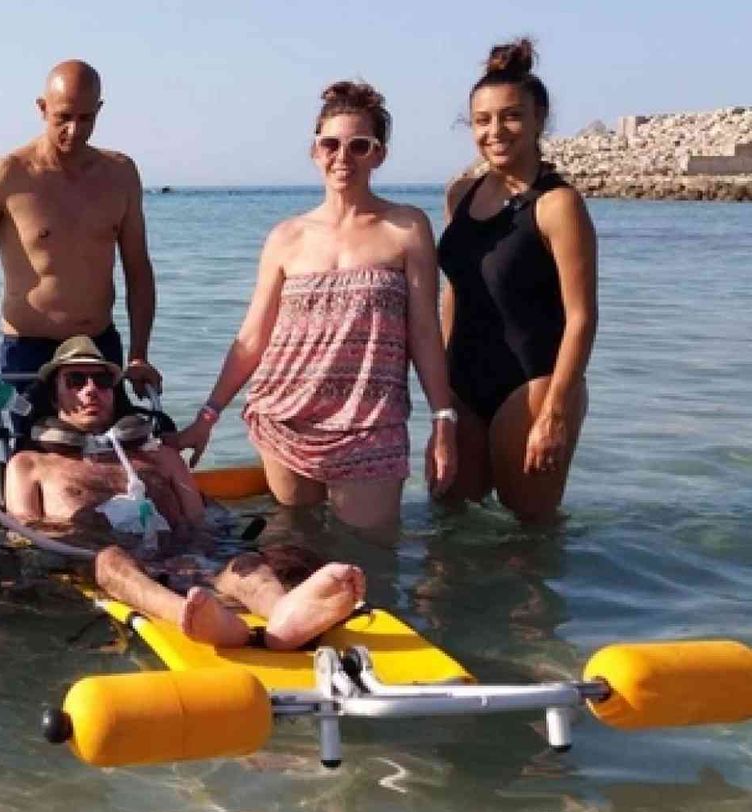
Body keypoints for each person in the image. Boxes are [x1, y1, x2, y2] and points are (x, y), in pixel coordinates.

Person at [173, 81, 457, 535]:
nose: (343, 157)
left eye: (359, 146)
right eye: (331, 144)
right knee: (293, 548)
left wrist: (444, 420)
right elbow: (252, 338)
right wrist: (207, 417)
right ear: (314, 151)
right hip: (285, 418)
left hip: (371, 426)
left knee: (373, 558)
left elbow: (424, 332)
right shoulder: (286, 237)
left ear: (379, 155)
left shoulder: (406, 228)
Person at [5, 337, 365, 649]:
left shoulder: (160, 455)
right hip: (108, 564)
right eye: (76, 380)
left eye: (101, 381)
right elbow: (25, 536)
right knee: (111, 560)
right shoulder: (31, 465)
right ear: (55, 394)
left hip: (185, 554)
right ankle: (192, 617)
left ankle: (285, 616)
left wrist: (201, 556)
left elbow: (197, 518)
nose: (90, 390)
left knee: (247, 565)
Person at [436, 39, 597, 523]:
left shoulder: (557, 205)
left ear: (538, 119)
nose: (495, 131)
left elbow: (582, 316)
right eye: (482, 120)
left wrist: (556, 411)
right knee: (450, 529)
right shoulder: (460, 194)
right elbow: (455, 292)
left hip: (531, 389)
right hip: (463, 386)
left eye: (511, 116)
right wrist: (441, 394)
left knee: (529, 544)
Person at [0, 60, 162, 410]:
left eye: (86, 118)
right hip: (28, 352)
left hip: (97, 348)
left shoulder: (120, 174)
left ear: (99, 110)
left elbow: (138, 269)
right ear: (42, 108)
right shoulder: (9, 175)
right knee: (25, 457)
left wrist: (139, 354)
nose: (74, 130)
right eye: (63, 117)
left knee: (108, 457)